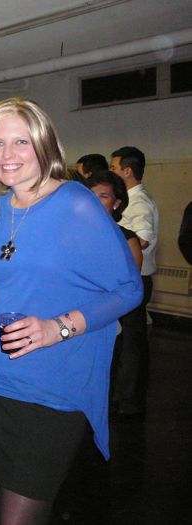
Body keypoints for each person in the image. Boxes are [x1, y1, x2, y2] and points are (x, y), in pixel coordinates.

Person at [0, 98, 142, 525]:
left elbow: (128, 288)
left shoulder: (75, 203)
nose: (7, 155)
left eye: (21, 142)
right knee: (9, 498)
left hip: (49, 389)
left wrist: (58, 327)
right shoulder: (4, 207)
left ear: (44, 145)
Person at [110, 146, 158, 416]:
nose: (111, 172)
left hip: (135, 279)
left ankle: (129, 402)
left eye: (114, 168)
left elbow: (142, 239)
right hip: (128, 280)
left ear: (127, 171)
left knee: (131, 344)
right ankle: (126, 396)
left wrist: (113, 238)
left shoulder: (139, 202)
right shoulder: (131, 199)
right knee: (129, 341)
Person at [86, 170, 142, 269]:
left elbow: (131, 277)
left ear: (116, 203)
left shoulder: (126, 240)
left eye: (103, 196)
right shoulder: (73, 232)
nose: (95, 200)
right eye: (91, 194)